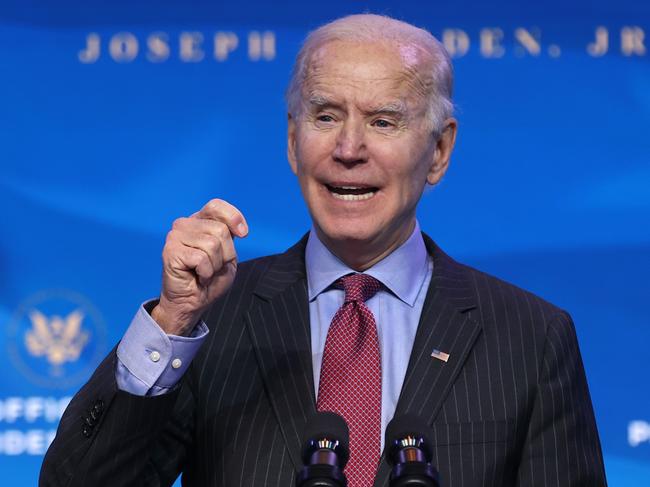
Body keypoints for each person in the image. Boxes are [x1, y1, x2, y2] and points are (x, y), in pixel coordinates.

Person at [40, 13, 607, 487]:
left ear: (439, 151)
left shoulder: (531, 338)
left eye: (383, 121)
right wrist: (174, 320)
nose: (349, 149)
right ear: (293, 141)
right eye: (326, 116)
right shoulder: (210, 323)